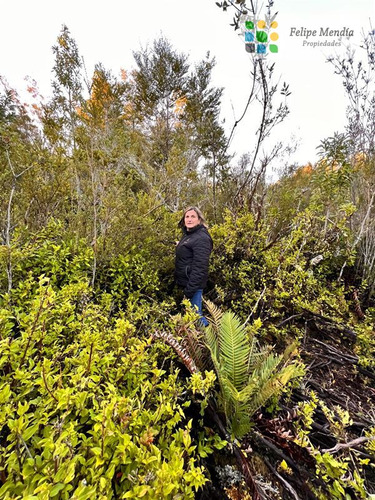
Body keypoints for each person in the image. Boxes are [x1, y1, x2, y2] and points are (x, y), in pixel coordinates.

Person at [175, 206, 213, 327]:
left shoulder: (201, 238)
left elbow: (200, 267)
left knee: (197, 317)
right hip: (186, 283)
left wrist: (190, 289)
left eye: (193, 217)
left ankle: (210, 340)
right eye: (187, 216)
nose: (189, 219)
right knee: (191, 317)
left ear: (199, 220)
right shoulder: (189, 234)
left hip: (193, 286)